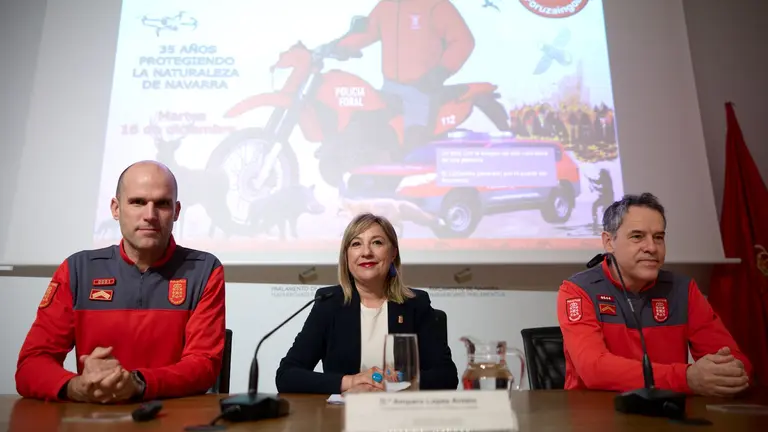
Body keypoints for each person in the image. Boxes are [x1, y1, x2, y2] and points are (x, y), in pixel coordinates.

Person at [15, 161, 226, 403]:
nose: (150, 215)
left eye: (162, 204)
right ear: (115, 209)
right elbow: (31, 365)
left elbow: (204, 365)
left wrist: (138, 383)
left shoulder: (204, 269)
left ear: (177, 211)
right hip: (94, 418)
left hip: (172, 418)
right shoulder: (77, 270)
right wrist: (76, 386)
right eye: (137, 202)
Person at [557, 193, 752, 397]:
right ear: (609, 242)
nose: (651, 248)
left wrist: (728, 371)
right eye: (637, 236)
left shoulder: (683, 289)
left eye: (658, 237)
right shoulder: (578, 290)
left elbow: (737, 360)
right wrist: (686, 378)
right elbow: (594, 370)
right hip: (595, 417)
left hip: (667, 415)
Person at [275, 213, 458, 394]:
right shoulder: (329, 303)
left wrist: (397, 381)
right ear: (346, 257)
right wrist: (352, 381)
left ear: (393, 252)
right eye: (356, 244)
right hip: (342, 417)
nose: (366, 252)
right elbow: (287, 375)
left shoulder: (415, 304)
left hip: (401, 415)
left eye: (377, 242)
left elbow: (447, 376)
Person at [335, 0, 475, 151]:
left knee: (413, 142)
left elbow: (463, 40)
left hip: (421, 90)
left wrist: (442, 70)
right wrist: (338, 47)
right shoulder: (387, 5)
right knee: (372, 131)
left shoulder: (435, 5)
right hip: (390, 88)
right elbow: (366, 32)